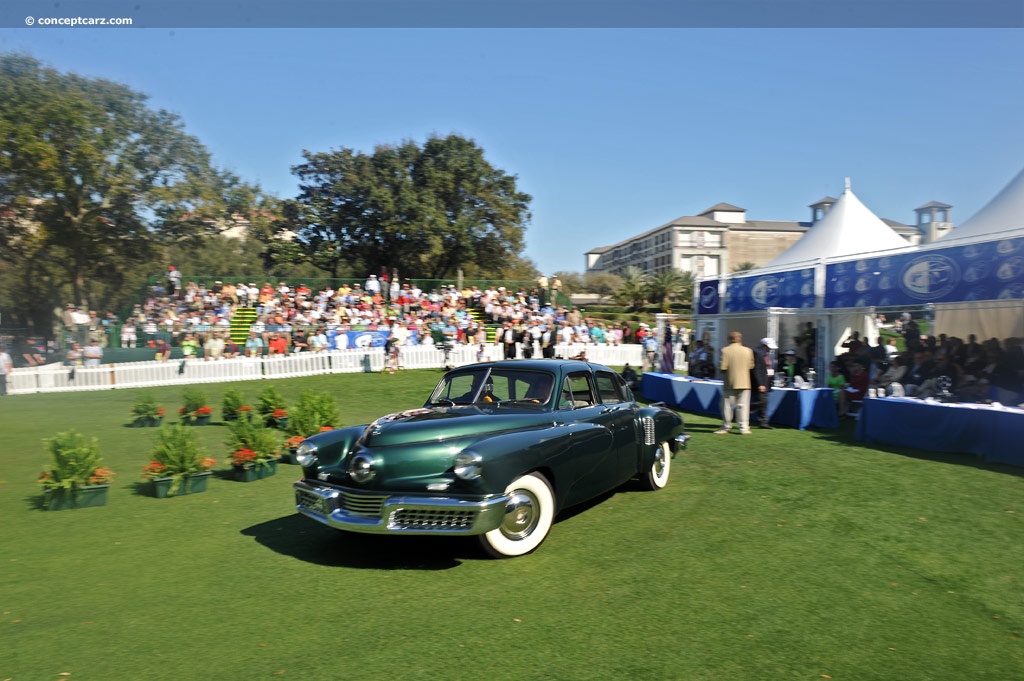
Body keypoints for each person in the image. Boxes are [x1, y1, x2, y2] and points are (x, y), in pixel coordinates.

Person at [715, 331, 755, 435]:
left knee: (727, 406)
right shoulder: (748, 350)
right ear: (740, 339)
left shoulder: (725, 350)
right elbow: (751, 366)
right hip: (745, 382)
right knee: (743, 406)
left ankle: (726, 426)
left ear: (729, 339)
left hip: (730, 381)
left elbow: (722, 367)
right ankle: (744, 428)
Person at [752, 337, 777, 429]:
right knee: (762, 401)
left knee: (764, 402)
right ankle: (745, 411)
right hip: (761, 382)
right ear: (764, 345)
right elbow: (757, 369)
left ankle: (763, 422)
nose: (770, 349)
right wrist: (760, 383)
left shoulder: (763, 353)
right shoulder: (758, 353)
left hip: (765, 380)